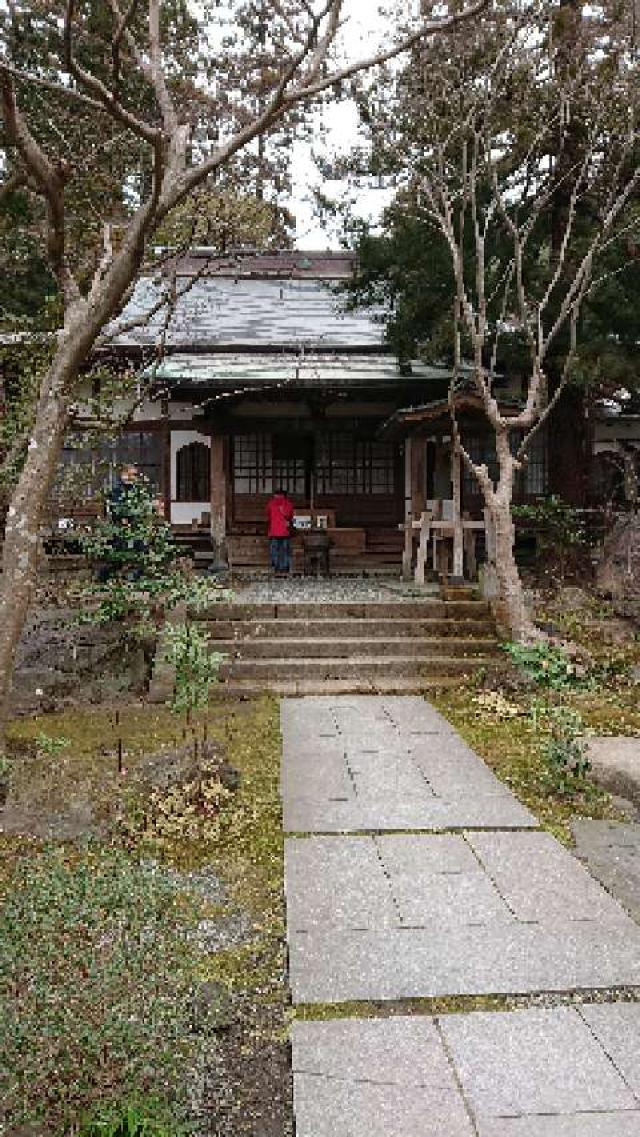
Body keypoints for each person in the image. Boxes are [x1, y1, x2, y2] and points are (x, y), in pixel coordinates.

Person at [266, 487, 294, 575]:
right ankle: (285, 568)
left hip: (274, 531)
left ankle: (276, 568)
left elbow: (268, 516)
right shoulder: (288, 504)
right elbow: (290, 516)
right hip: (285, 531)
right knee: (285, 550)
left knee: (275, 550)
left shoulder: (270, 504)